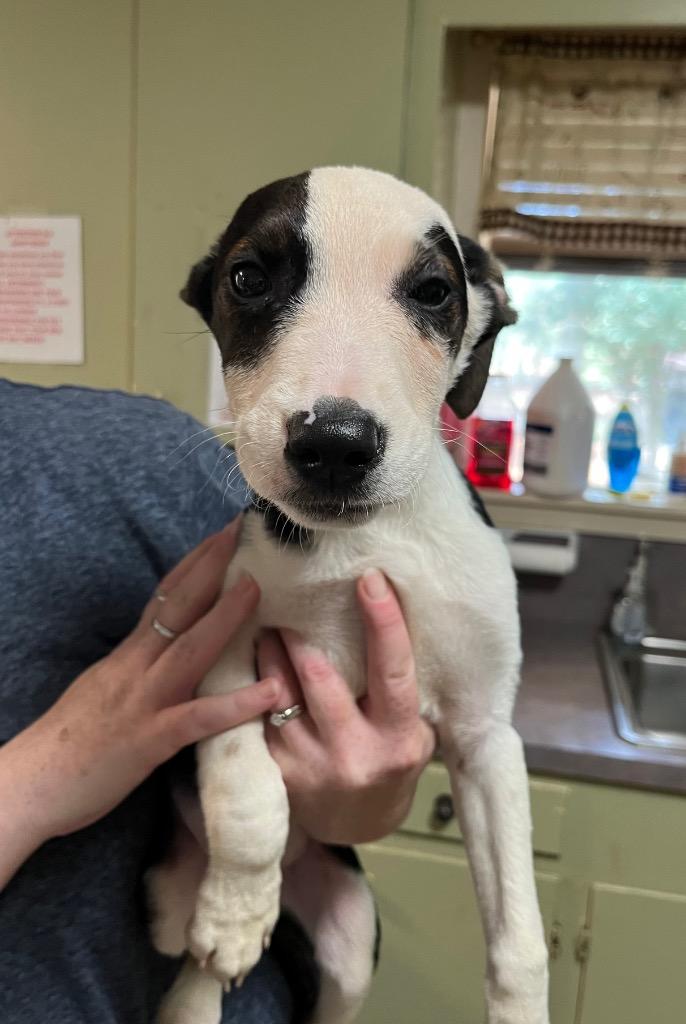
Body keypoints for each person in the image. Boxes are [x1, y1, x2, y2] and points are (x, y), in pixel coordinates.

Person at [0, 379, 434, 1023]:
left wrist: (365, 802)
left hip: (243, 972)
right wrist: (28, 787)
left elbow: (343, 784)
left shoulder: (148, 453)